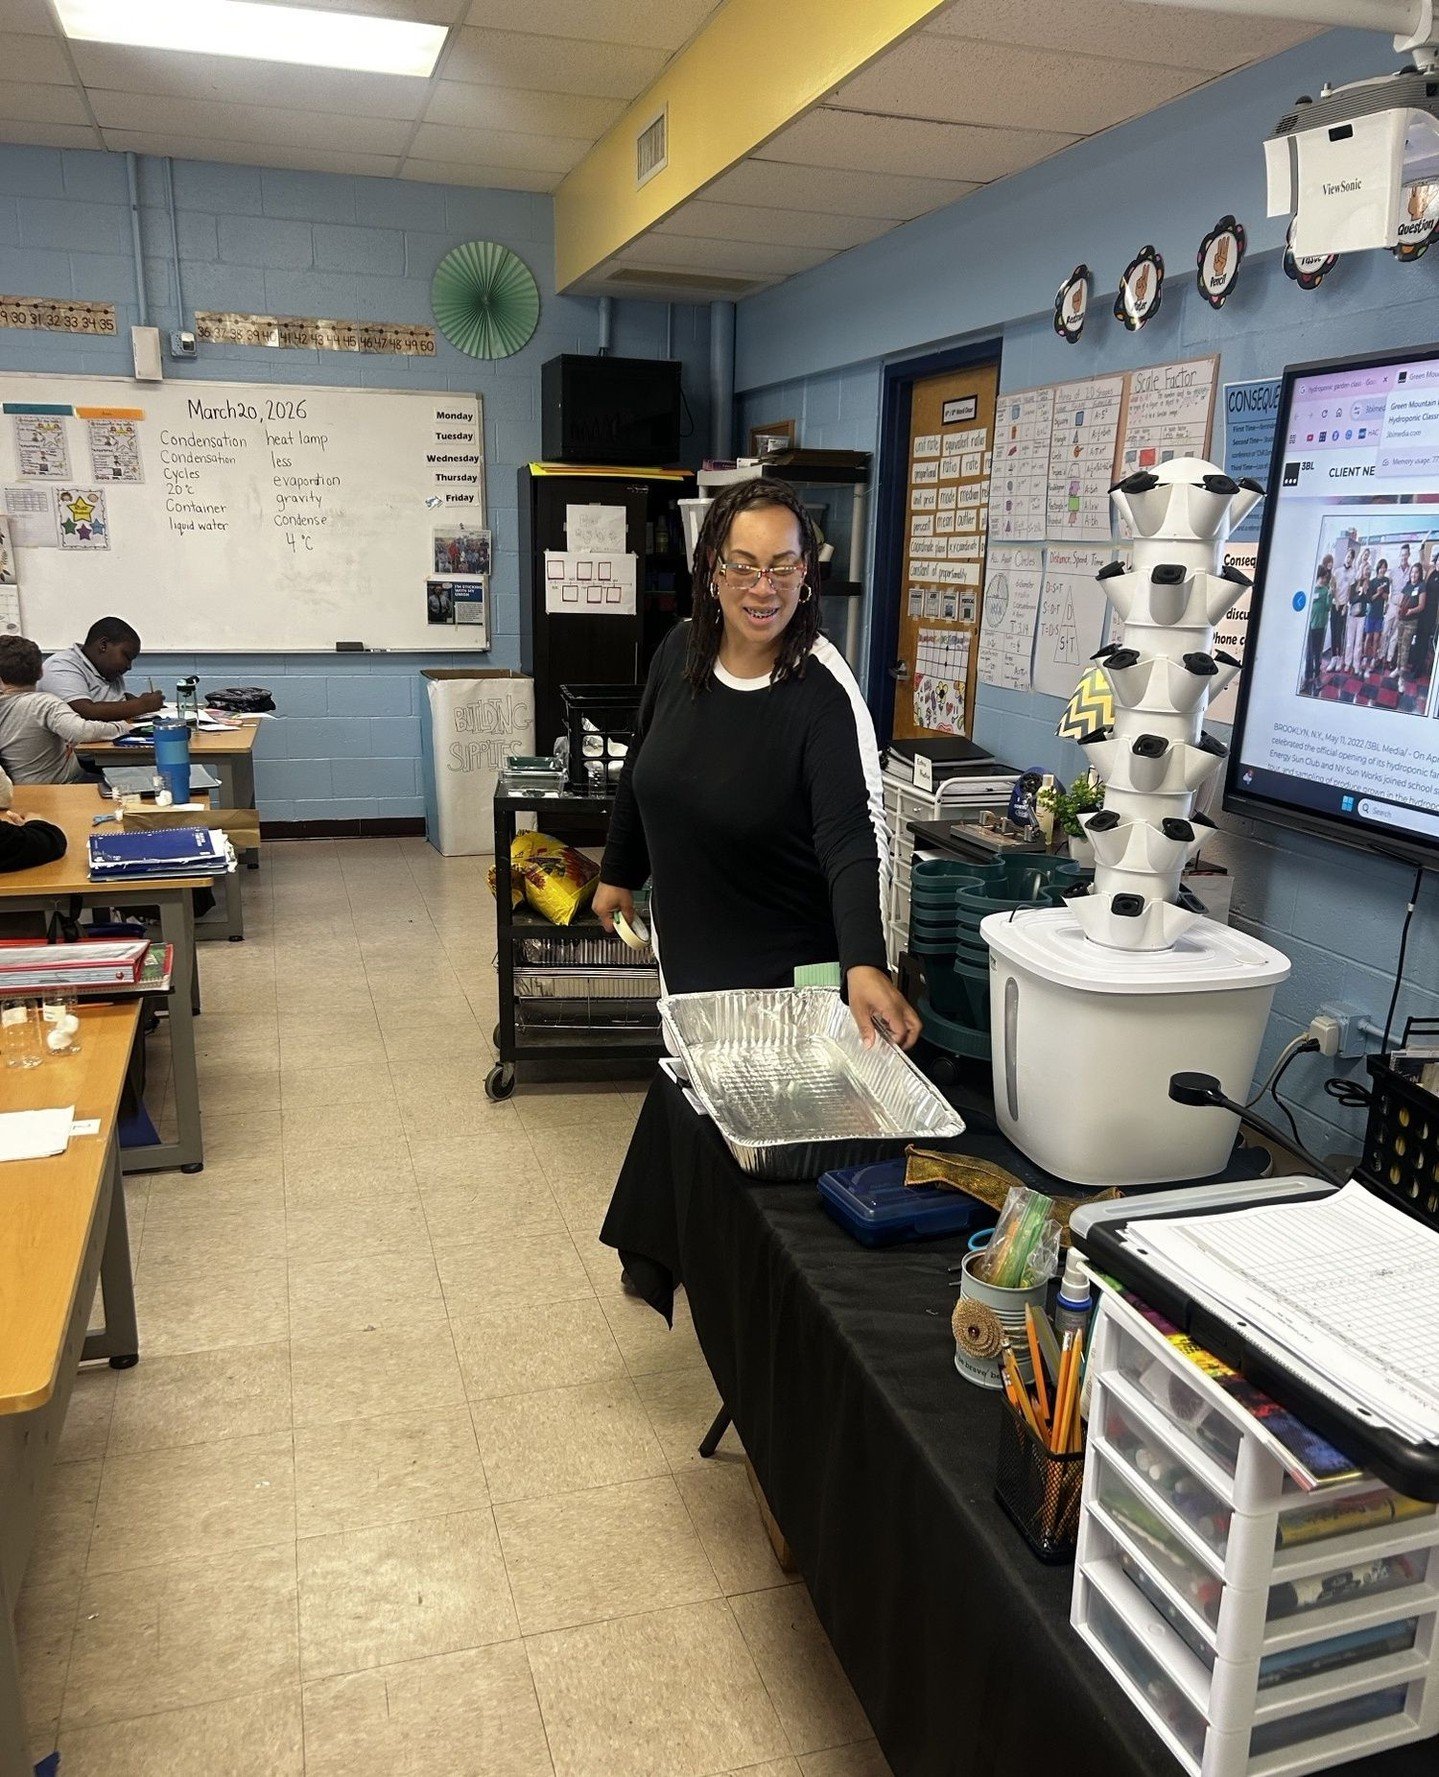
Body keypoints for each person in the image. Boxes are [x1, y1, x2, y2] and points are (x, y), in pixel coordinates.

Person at [594, 477, 920, 1049]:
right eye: (743, 566)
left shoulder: (822, 690)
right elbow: (645, 763)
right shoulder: (682, 650)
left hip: (790, 987)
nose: (762, 589)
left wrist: (864, 962)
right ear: (714, 571)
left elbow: (851, 837)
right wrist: (620, 870)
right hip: (690, 966)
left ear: (805, 575)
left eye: (782, 566)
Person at [0, 635, 132, 784]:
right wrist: (123, 727)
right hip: (64, 786)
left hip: (20, 791)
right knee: (131, 782)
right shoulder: (45, 704)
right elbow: (82, 732)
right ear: (41, 672)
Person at [39, 617, 165, 722]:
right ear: (103, 645)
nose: (129, 666)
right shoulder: (61, 666)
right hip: (76, 751)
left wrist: (131, 699)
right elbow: (86, 712)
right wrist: (143, 705)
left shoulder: (107, 671)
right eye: (127, 656)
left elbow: (112, 701)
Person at [1304, 562, 1332, 692]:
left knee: (1317, 653)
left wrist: (1330, 595)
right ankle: (1307, 678)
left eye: (1325, 577)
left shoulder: (1326, 590)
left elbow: (1327, 608)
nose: (1324, 579)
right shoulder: (1311, 589)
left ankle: (1316, 678)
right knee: (1309, 654)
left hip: (1321, 626)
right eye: (1322, 577)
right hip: (1310, 626)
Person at [1364, 559, 1389, 668]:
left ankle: (1374, 658)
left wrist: (1382, 592)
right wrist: (1377, 593)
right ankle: (1365, 657)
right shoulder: (1373, 581)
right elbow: (1370, 599)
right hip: (1371, 613)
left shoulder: (1386, 580)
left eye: (1385, 567)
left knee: (1376, 638)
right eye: (1381, 567)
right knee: (1368, 637)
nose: (1383, 569)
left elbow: (1387, 597)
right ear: (1378, 568)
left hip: (1380, 614)